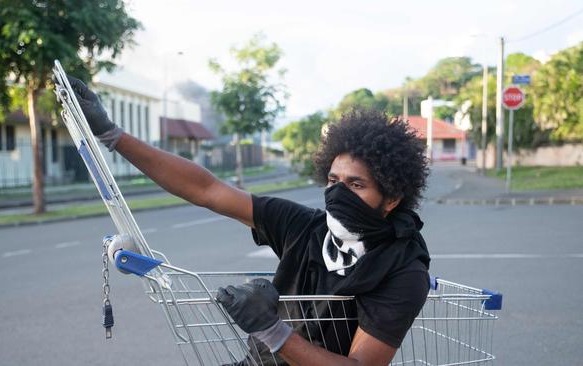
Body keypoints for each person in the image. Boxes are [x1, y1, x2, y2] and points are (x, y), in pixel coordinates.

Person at [66, 76, 431, 366]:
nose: (339, 195)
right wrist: (113, 136)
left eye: (357, 185)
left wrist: (273, 331)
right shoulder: (304, 227)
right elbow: (207, 189)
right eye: (334, 181)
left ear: (392, 198)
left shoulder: (401, 269)